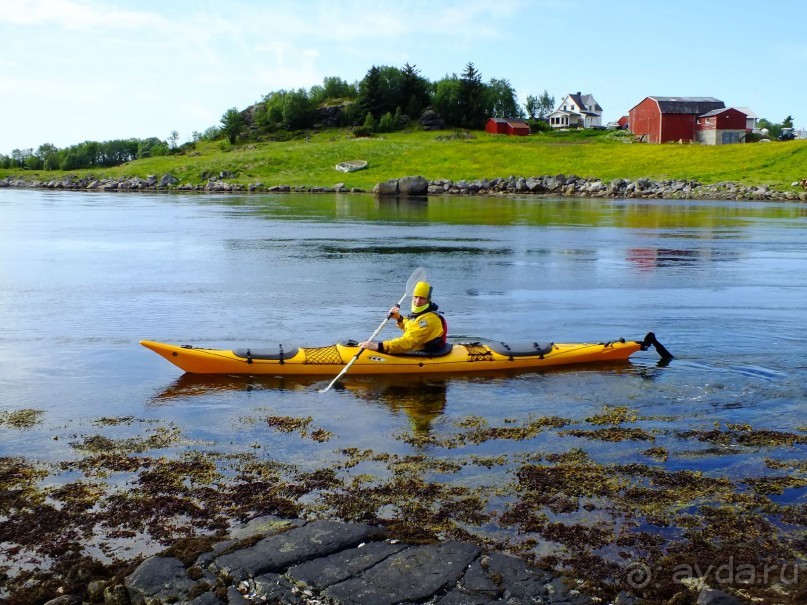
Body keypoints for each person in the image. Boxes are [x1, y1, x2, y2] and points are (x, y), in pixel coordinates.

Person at [359, 281, 447, 354]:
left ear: (428, 300)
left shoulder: (427, 320)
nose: (417, 301)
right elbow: (412, 327)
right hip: (421, 347)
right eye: (416, 297)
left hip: (429, 352)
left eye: (422, 298)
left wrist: (378, 346)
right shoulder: (422, 314)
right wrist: (399, 318)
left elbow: (408, 342)